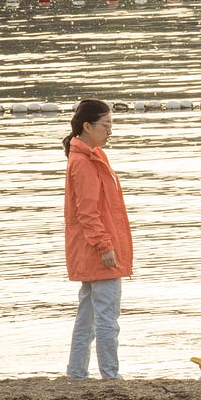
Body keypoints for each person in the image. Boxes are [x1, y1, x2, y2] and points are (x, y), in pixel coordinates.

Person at [63, 99, 133, 379]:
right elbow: (88, 212)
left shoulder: (93, 155)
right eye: (106, 125)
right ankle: (110, 374)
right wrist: (105, 246)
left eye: (111, 125)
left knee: (89, 315)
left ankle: (77, 372)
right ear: (87, 126)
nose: (110, 131)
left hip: (95, 246)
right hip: (99, 249)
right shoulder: (83, 161)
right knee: (105, 317)